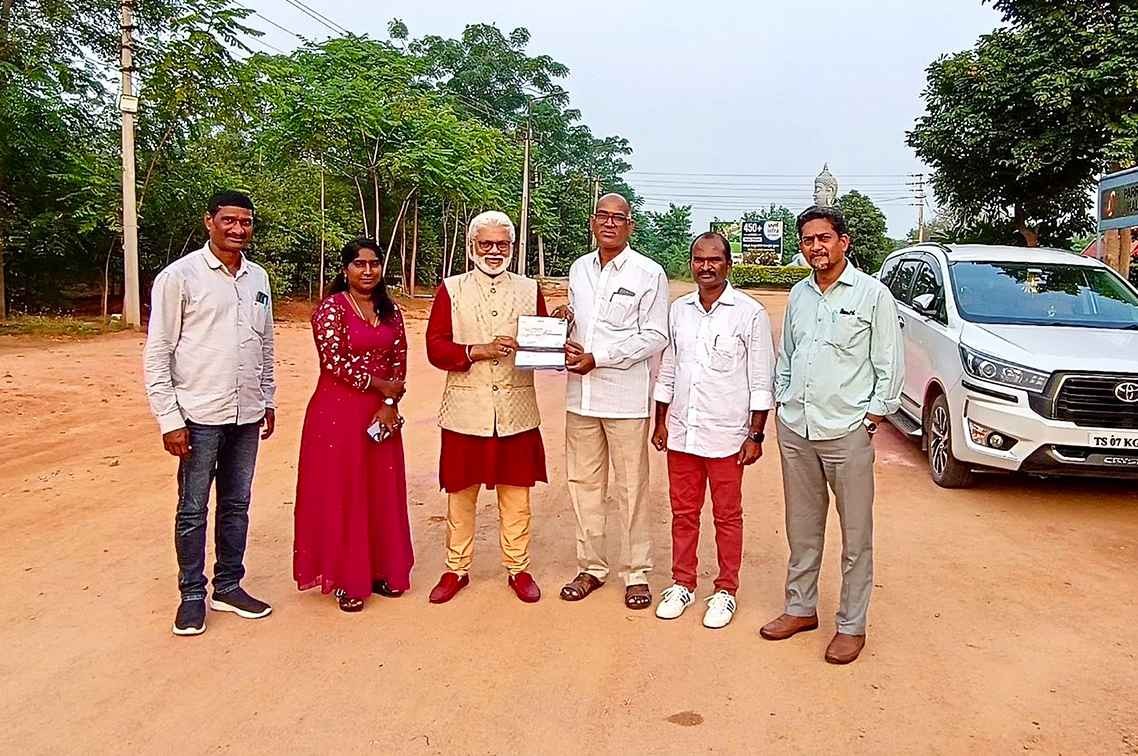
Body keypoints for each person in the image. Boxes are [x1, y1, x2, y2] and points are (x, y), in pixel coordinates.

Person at [760, 206, 904, 664]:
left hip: (847, 431)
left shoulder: (873, 295)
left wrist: (871, 419)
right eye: (808, 240)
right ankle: (800, 608)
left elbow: (889, 364)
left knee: (855, 535)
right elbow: (788, 354)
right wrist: (783, 400)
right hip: (797, 427)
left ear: (844, 242)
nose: (816, 247)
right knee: (802, 527)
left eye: (824, 237)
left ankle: (851, 625)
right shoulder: (799, 294)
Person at [143, 190, 276, 636]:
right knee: (193, 507)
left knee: (236, 504)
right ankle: (191, 596)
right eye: (229, 220)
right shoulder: (179, 277)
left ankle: (229, 586)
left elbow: (266, 345)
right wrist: (169, 420)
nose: (238, 229)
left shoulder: (258, 278)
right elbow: (158, 352)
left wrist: (267, 398)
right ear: (209, 222)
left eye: (246, 221)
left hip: (246, 413)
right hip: (198, 415)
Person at [651, 232, 775, 629]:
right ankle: (682, 583)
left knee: (727, 516)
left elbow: (761, 380)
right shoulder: (679, 311)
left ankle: (725, 590)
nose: (706, 266)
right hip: (682, 433)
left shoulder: (749, 313)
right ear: (691, 263)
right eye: (699, 259)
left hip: (726, 436)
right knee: (683, 513)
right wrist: (660, 421)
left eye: (714, 259)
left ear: (728, 264)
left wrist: (755, 435)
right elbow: (669, 368)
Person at [425, 210, 548, 604]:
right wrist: (477, 350)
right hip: (466, 410)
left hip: (516, 409)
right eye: (486, 244)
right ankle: (456, 568)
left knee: (517, 495)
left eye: (502, 244)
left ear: (512, 247)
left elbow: (543, 346)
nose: (494, 251)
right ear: (472, 247)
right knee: (460, 493)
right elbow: (435, 347)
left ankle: (518, 568)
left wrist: (547, 333)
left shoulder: (529, 289)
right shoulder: (451, 288)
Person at [555, 193, 669, 610]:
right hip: (580, 398)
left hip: (624, 401)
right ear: (592, 222)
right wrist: (564, 320)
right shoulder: (579, 268)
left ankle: (636, 573)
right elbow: (581, 324)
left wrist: (599, 357)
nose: (609, 223)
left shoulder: (648, 273)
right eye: (602, 216)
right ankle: (591, 567)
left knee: (631, 488)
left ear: (629, 225)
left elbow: (655, 335)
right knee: (583, 485)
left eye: (617, 218)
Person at [293, 239, 413, 613]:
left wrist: (389, 403)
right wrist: (380, 386)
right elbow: (334, 362)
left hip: (381, 414)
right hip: (337, 414)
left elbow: (399, 359)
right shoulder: (331, 309)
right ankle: (347, 578)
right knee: (344, 491)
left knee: (379, 490)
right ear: (345, 269)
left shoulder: (390, 311)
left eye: (374, 263)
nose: (367, 270)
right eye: (359, 264)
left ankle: (380, 570)